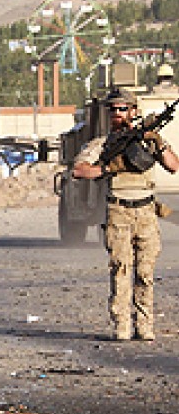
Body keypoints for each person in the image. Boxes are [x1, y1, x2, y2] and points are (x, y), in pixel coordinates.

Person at [73, 88, 179, 341]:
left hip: (146, 211)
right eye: (114, 110)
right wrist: (109, 166)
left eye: (123, 109)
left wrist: (158, 142)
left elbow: (174, 166)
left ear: (134, 112)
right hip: (118, 211)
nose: (118, 114)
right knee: (120, 269)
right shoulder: (103, 143)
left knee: (145, 272)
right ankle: (121, 324)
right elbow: (79, 170)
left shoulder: (148, 140)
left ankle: (144, 325)